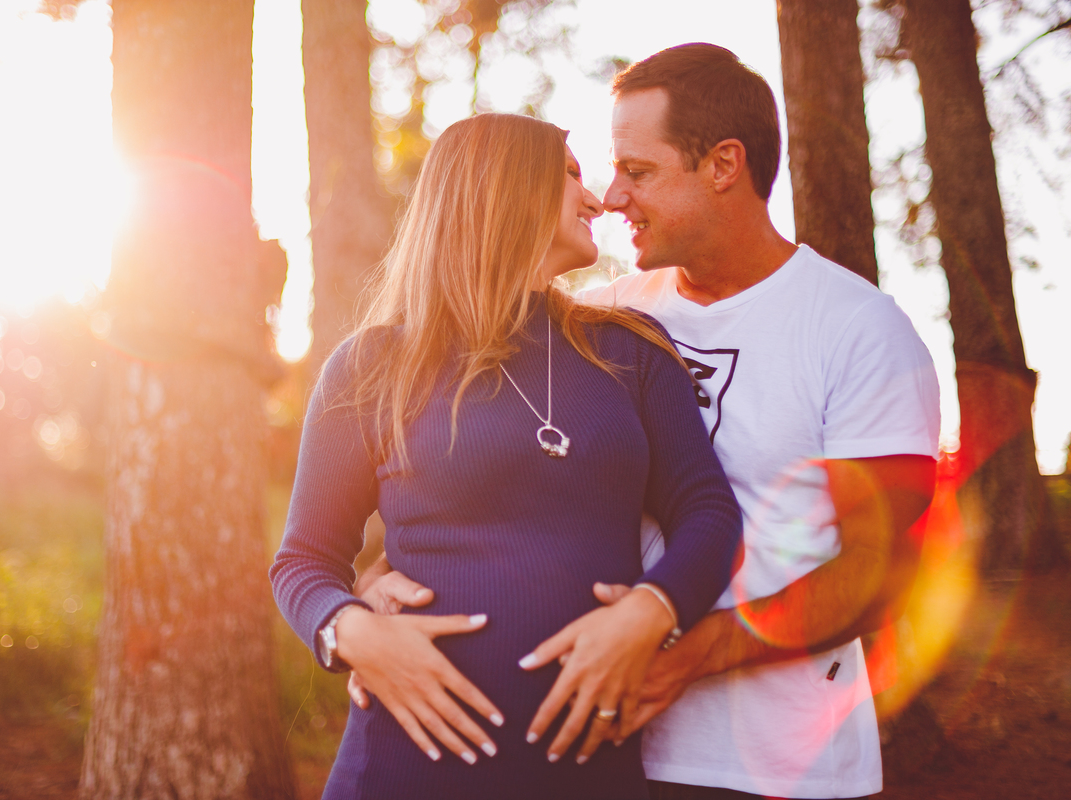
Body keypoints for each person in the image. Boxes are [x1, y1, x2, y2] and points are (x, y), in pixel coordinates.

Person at [355, 45, 941, 800]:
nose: (612, 195)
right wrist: (380, 584)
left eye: (638, 171)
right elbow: (481, 480)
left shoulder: (861, 330)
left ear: (724, 165)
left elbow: (880, 572)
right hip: (599, 749)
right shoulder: (602, 316)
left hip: (776, 767)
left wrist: (681, 653)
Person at [271, 113, 744, 800]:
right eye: (573, 177)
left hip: (589, 775)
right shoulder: (371, 366)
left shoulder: (631, 349)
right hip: (400, 772)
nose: (596, 199)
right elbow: (304, 560)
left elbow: (706, 510)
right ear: (505, 188)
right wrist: (352, 634)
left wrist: (651, 612)